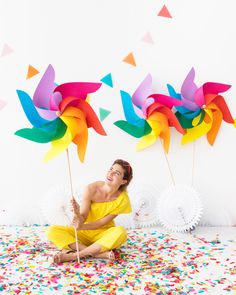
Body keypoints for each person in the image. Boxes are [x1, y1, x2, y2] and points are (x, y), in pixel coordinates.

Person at [46, 159, 133, 263]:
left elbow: (101, 223)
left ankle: (73, 256)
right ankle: (97, 253)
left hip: (103, 235)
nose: (111, 173)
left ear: (124, 181)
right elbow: (82, 218)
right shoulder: (91, 189)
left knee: (120, 232)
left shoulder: (123, 199)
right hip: (84, 233)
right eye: (111, 169)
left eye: (117, 173)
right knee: (52, 230)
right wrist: (77, 213)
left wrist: (81, 226)